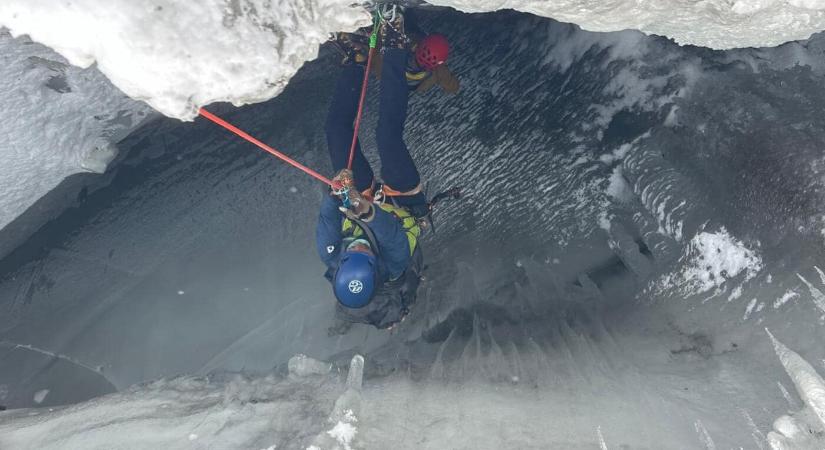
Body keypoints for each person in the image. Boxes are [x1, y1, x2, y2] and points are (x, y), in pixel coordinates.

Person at [318, 6, 433, 332]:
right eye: (361, 251)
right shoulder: (394, 263)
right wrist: (359, 206)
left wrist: (335, 192)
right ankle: (395, 43)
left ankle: (356, 58)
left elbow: (328, 217)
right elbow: (384, 228)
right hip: (401, 206)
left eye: (350, 250)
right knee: (387, 136)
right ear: (374, 266)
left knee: (336, 131)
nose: (355, 246)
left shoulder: (330, 254)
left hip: (361, 199)